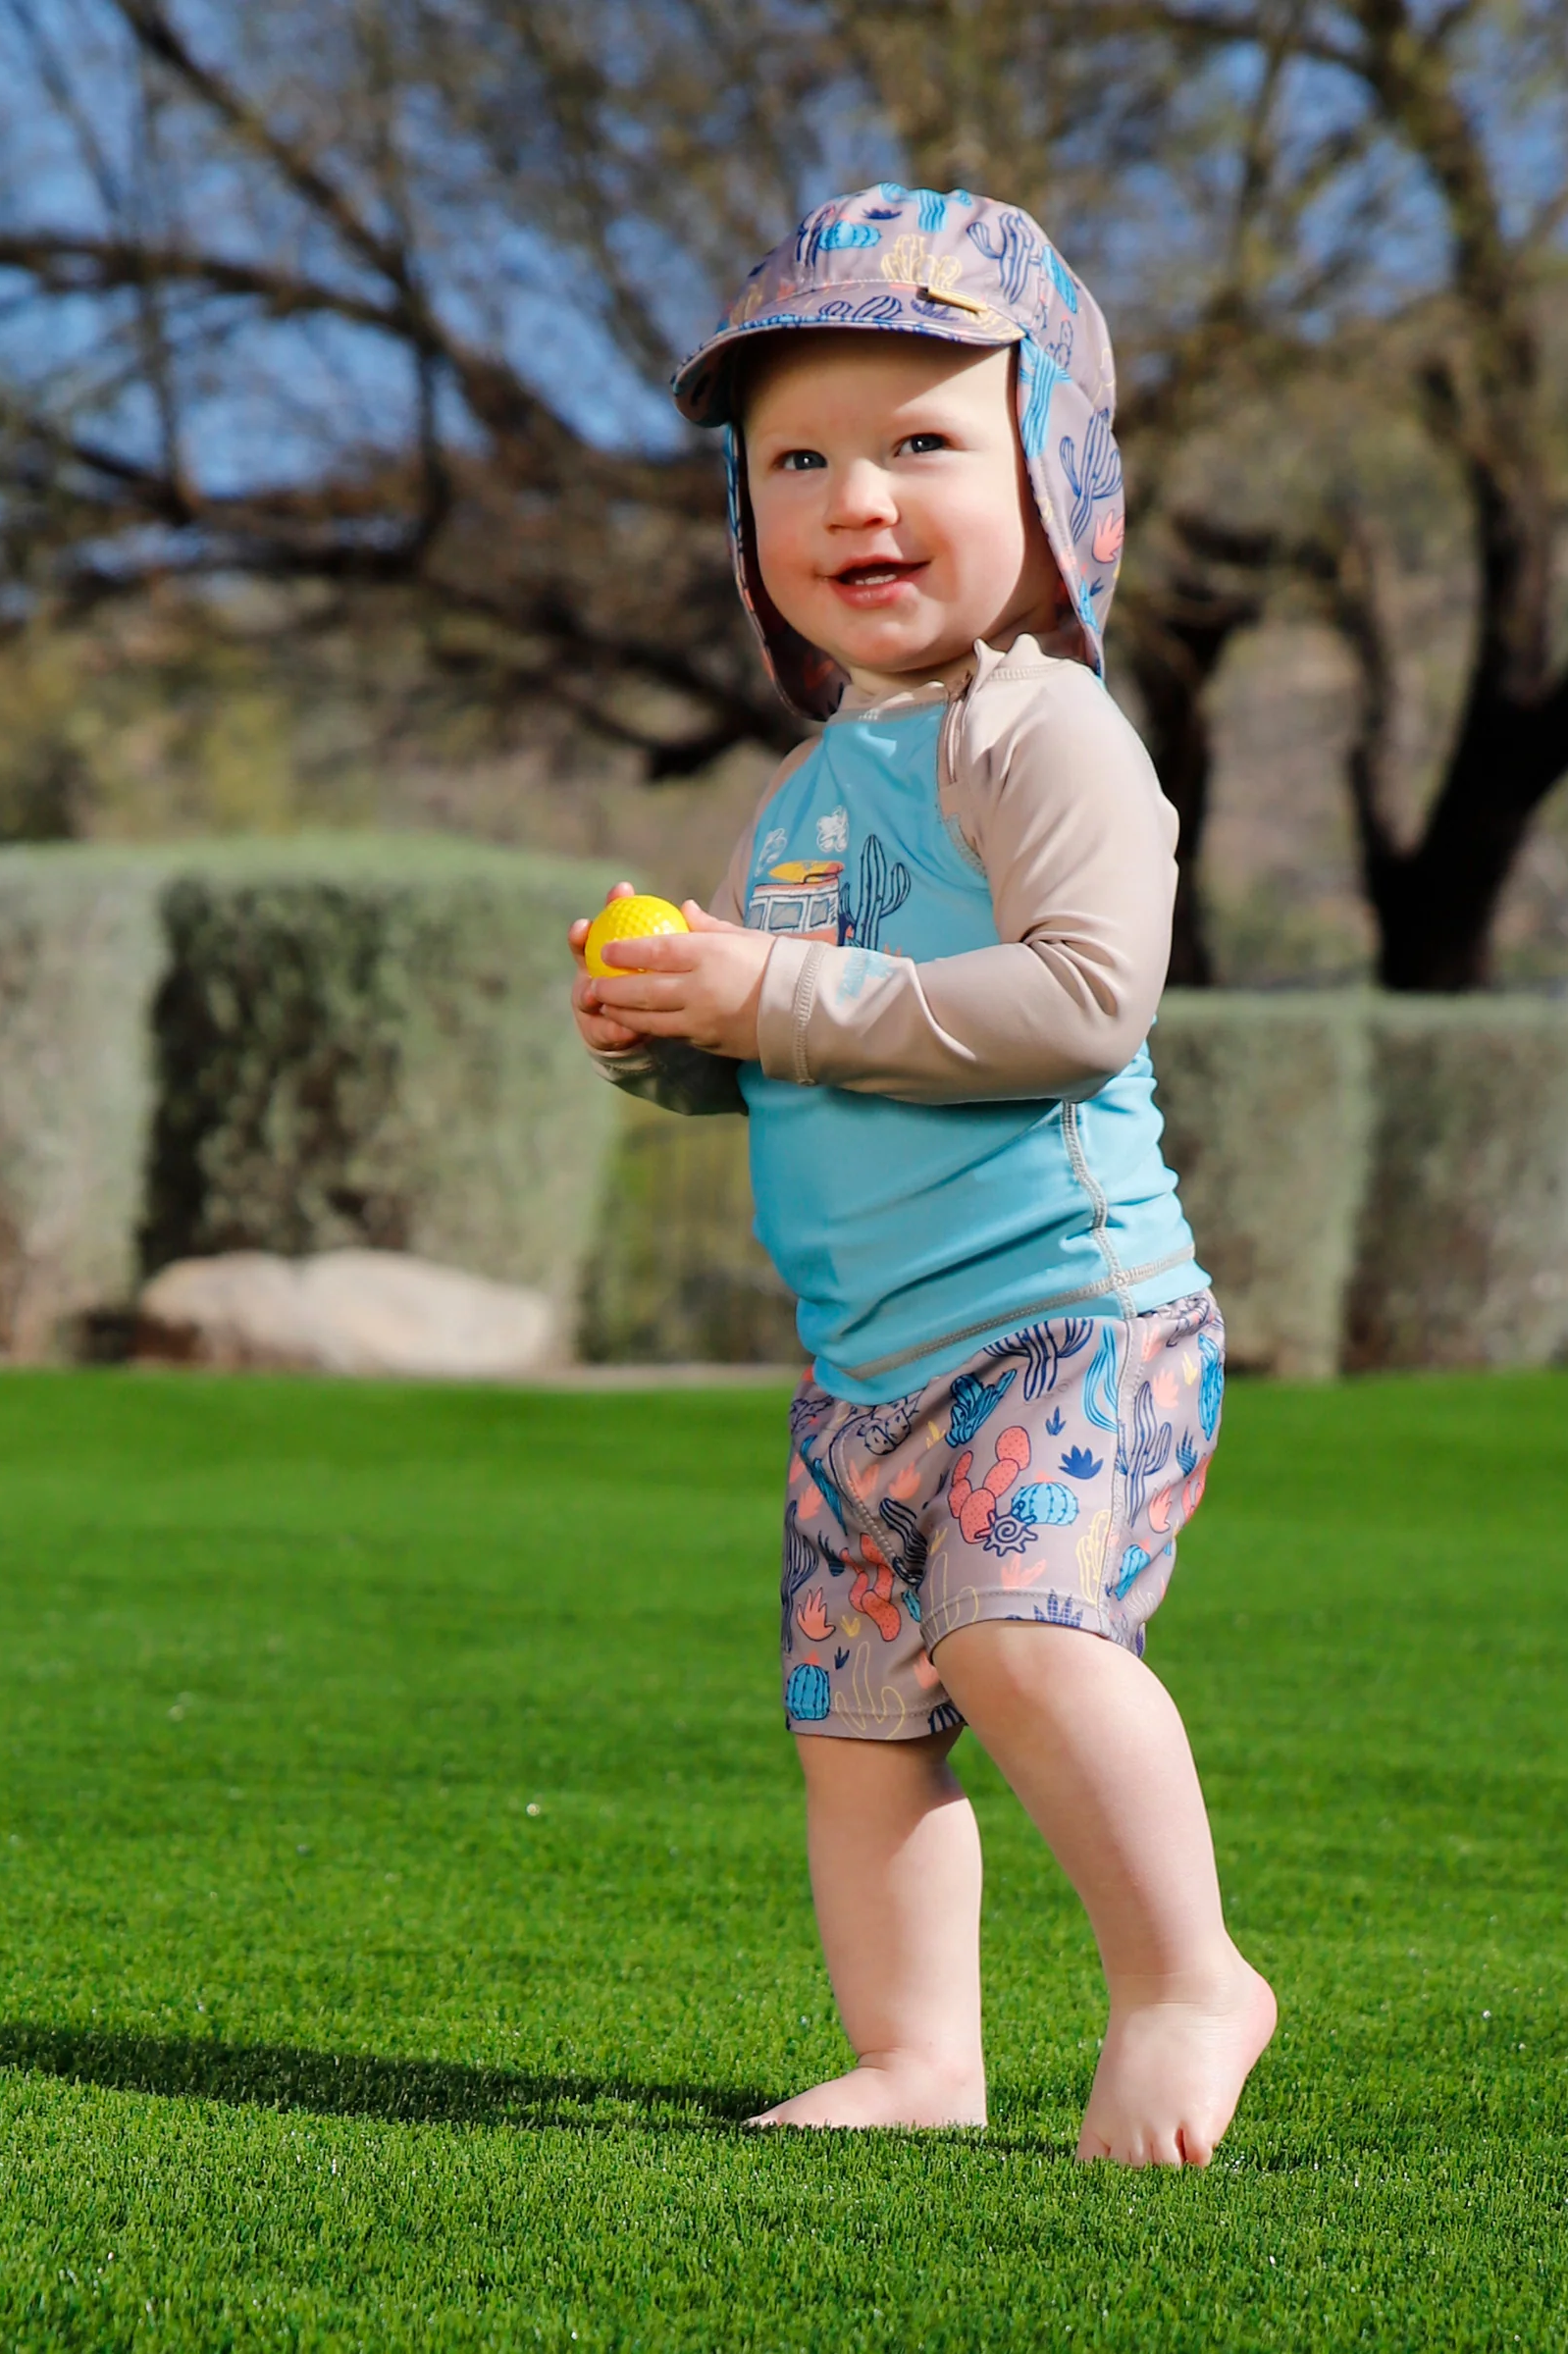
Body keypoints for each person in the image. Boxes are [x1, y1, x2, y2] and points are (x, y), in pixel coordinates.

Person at [568, 187, 1274, 2168]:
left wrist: (770, 990)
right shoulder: (807, 798)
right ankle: (914, 2055)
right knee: (858, 1719)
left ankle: (1189, 1978)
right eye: (795, 460)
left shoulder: (1043, 736)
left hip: (1064, 1316)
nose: (854, 498)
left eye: (920, 442)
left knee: (1019, 1631)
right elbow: (814, 1051)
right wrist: (679, 1037)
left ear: (1053, 472)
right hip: (867, 1360)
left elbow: (1082, 1002)